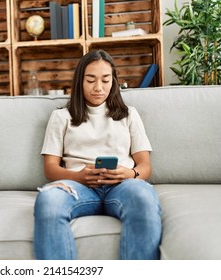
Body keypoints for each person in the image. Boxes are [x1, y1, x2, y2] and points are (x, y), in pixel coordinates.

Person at [33, 50, 162, 260]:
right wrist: (78, 177)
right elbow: (50, 168)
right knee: (48, 200)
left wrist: (127, 174)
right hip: (78, 187)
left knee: (144, 199)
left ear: (114, 81)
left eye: (105, 80)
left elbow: (145, 166)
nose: (98, 88)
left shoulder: (129, 115)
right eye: (91, 80)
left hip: (122, 185)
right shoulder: (61, 117)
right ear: (80, 81)